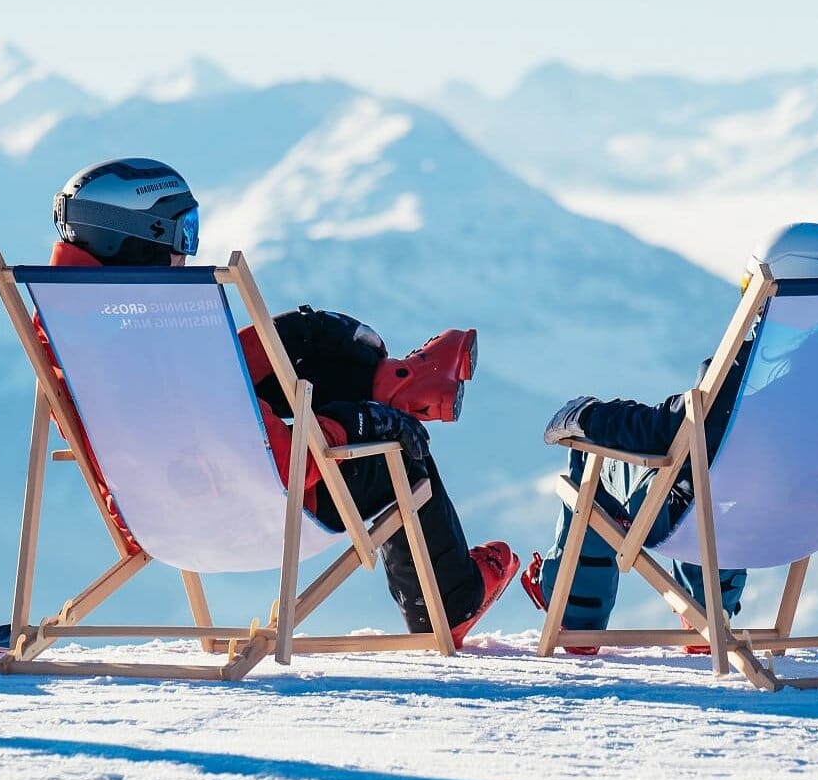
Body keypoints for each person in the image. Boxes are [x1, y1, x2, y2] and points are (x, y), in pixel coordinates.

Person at [44, 157, 516, 644]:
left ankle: (399, 381)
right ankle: (451, 597)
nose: (186, 253)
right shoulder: (170, 329)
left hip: (154, 511)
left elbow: (176, 406)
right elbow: (280, 462)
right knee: (400, 449)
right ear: (138, 237)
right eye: (182, 235)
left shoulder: (67, 322)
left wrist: (268, 346)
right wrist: (357, 424)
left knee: (303, 340)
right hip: (249, 509)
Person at [523, 222, 818, 653]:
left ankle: (575, 616)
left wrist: (590, 416)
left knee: (602, 464)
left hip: (726, 525)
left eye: (753, 290)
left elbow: (665, 430)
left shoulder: (750, 377)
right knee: (716, 476)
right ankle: (707, 609)